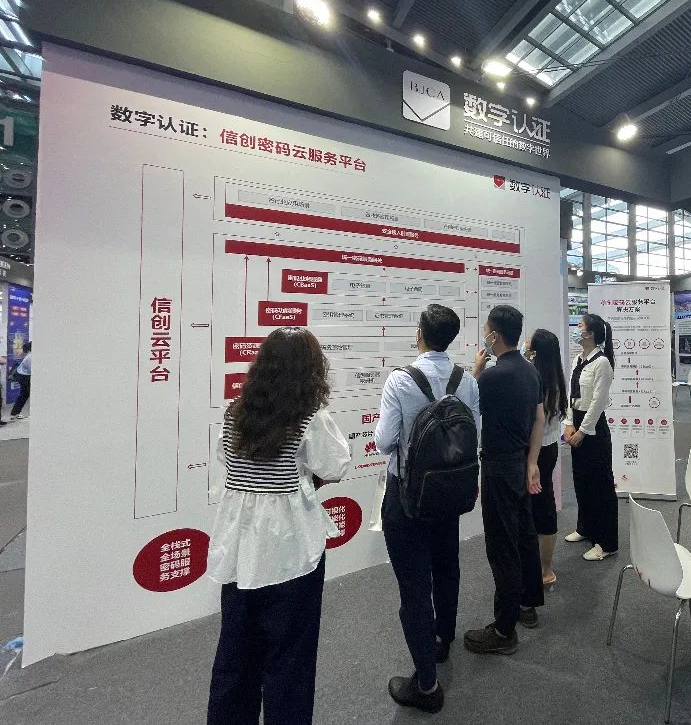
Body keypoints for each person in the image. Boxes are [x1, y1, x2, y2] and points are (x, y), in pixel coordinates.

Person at [206, 328, 351, 725]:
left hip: (239, 548)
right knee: (290, 660)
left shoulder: (234, 414)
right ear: (311, 369)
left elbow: (225, 460)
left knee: (235, 654)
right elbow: (336, 465)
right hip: (291, 550)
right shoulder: (310, 419)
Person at [375, 304, 481, 712]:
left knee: (414, 587)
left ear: (419, 334)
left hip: (407, 496)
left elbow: (385, 442)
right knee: (447, 565)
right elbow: (474, 433)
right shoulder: (466, 380)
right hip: (449, 491)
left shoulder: (400, 380)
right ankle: (442, 638)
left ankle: (426, 686)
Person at [464, 305, 545, 655]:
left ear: (494, 335)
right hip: (520, 463)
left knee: (502, 547)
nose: (484, 335)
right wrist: (532, 462)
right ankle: (527, 605)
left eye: (486, 330)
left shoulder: (492, 378)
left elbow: (463, 411)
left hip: (499, 468)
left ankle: (503, 630)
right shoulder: (530, 371)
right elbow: (538, 419)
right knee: (523, 537)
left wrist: (475, 372)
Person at [563, 313, 619, 561]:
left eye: (580, 326)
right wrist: (568, 423)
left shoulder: (602, 362)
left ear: (591, 333)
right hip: (576, 423)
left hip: (593, 429)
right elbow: (571, 394)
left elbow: (598, 402)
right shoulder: (578, 359)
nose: (576, 329)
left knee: (600, 485)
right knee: (581, 480)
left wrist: (583, 431)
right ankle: (585, 528)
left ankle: (606, 543)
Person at [524, 328, 568, 586]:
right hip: (549, 447)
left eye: (529, 341)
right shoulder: (555, 376)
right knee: (544, 502)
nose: (525, 342)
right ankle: (545, 568)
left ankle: (541, 570)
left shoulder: (534, 378)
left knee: (536, 504)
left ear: (535, 350)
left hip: (535, 449)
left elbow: (532, 421)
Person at [11, 341, 30, 419]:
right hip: (24, 377)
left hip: (24, 376)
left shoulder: (30, 355)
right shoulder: (30, 357)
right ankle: (14, 413)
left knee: (24, 395)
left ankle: (14, 414)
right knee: (24, 395)